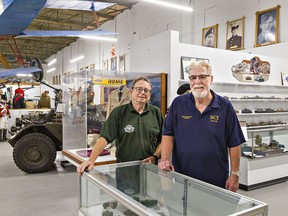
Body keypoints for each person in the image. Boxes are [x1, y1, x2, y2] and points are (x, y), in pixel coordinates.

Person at [158, 61, 246, 192]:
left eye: (202, 77)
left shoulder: (225, 106)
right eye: (193, 77)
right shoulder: (178, 104)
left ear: (211, 79)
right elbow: (168, 134)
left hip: (215, 179)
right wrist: (164, 160)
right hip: (181, 177)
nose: (197, 81)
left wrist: (235, 174)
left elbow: (234, 143)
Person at [77, 76, 163, 174]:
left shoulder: (156, 113)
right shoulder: (118, 113)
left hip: (150, 168)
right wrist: (91, 160)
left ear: (150, 95)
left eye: (146, 90)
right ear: (131, 92)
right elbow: (104, 138)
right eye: (139, 89)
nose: (143, 92)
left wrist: (154, 157)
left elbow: (163, 140)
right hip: (125, 168)